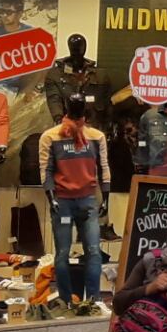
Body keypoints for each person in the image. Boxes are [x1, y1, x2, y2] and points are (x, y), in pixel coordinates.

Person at [38, 96, 111, 312]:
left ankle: (95, 299)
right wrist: (50, 197)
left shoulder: (96, 137)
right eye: (74, 105)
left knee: (94, 251)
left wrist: (105, 196)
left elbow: (103, 167)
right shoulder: (50, 137)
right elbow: (46, 169)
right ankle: (65, 299)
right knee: (62, 253)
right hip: (63, 201)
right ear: (68, 108)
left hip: (88, 200)